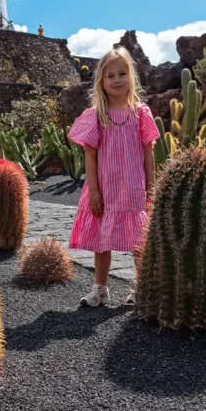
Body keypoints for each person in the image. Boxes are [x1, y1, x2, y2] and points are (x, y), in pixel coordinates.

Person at [67, 47, 158, 308]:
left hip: (132, 189)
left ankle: (141, 288)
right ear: (101, 82)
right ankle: (100, 289)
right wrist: (94, 190)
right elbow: (91, 156)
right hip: (105, 189)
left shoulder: (140, 113)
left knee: (139, 241)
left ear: (131, 77)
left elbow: (148, 153)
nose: (116, 80)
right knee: (101, 240)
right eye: (110, 76)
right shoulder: (95, 115)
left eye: (122, 74)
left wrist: (152, 186)